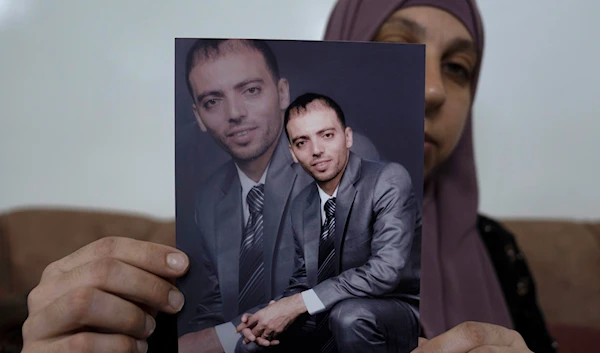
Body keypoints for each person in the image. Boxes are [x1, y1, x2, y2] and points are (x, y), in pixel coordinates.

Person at [322, 1, 558, 353]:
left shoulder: (498, 250)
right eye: (398, 52)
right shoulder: (261, 231)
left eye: (456, 67)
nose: (433, 90)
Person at [177, 39, 381, 353]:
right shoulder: (209, 200)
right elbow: (219, 303)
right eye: (212, 101)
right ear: (200, 116)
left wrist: (215, 341)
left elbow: (342, 286)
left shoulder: (339, 157)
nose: (235, 113)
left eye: (250, 91)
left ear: (282, 93)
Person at [234, 92, 421, 353]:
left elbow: (384, 273)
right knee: (250, 340)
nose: (316, 150)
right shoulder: (302, 205)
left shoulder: (388, 180)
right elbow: (304, 278)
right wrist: (273, 311)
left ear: (348, 137)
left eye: (327, 135)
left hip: (398, 307)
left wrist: (298, 304)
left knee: (348, 317)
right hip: (332, 304)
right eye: (302, 142)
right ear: (293, 153)